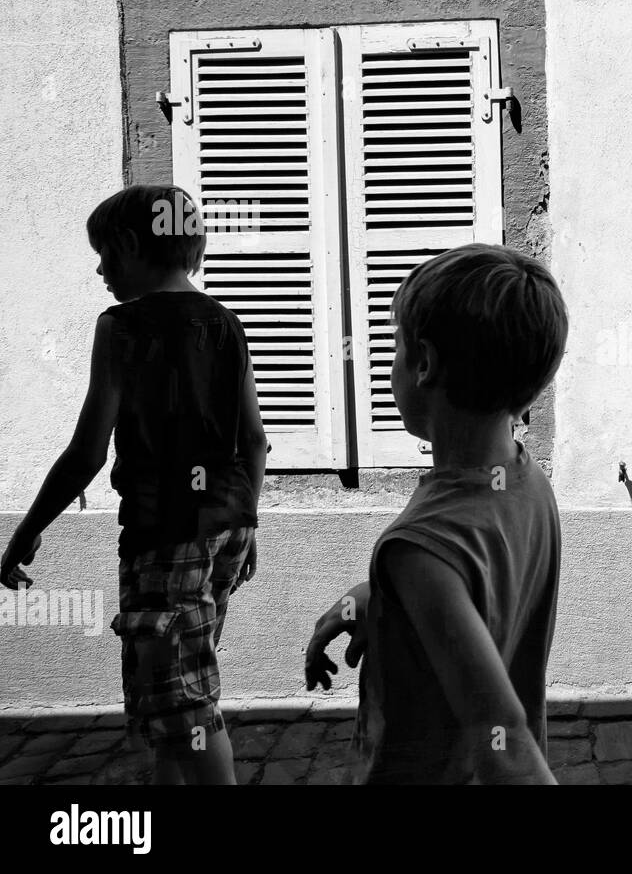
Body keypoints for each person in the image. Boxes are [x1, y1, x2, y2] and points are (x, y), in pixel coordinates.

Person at [0, 184, 265, 784]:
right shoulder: (226, 324)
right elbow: (252, 440)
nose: (99, 270)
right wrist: (249, 522)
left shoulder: (122, 326)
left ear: (127, 246)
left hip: (164, 534)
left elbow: (88, 449)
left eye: (103, 255)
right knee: (171, 691)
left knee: (184, 702)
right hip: (227, 527)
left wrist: (29, 528)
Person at [304, 243, 567, 784]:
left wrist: (402, 581)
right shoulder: (527, 482)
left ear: (424, 363)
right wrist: (372, 599)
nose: (389, 362)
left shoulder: (420, 545)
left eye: (395, 346)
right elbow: (470, 586)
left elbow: (504, 735)